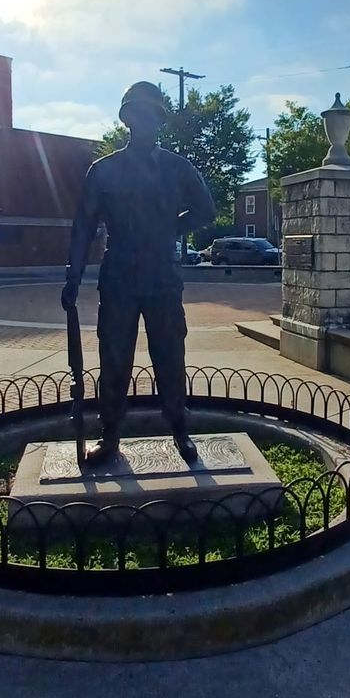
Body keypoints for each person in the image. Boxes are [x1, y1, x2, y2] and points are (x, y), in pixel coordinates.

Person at [62, 80, 216, 469]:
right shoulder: (104, 170)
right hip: (118, 276)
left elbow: (206, 211)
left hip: (162, 275)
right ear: (127, 119)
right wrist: (73, 275)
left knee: (170, 354)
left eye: (151, 115)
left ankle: (180, 428)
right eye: (137, 114)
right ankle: (110, 434)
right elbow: (83, 225)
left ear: (159, 121)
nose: (143, 121)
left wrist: (170, 229)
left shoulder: (178, 168)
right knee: (114, 357)